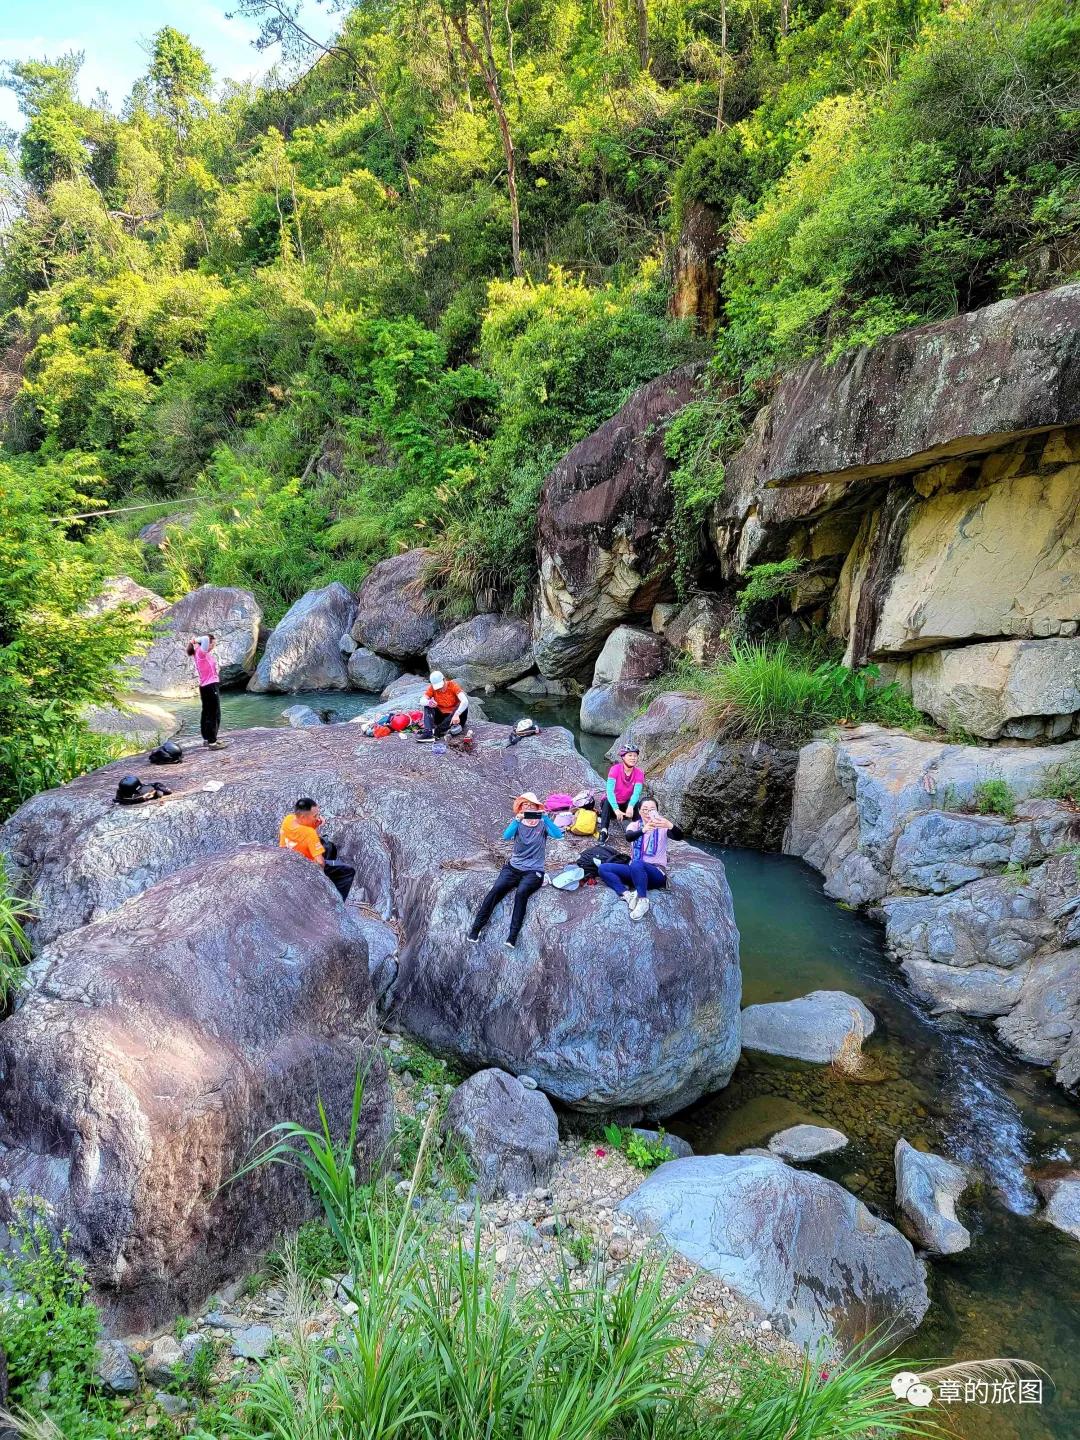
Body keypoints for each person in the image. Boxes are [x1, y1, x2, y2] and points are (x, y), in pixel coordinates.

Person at [467, 793, 562, 948]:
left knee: (522, 892)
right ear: (520, 809)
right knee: (496, 890)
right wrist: (516, 821)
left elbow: (558, 836)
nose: (529, 809)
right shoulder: (518, 823)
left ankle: (512, 936)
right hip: (513, 867)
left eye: (532, 807)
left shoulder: (543, 824)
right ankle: (476, 928)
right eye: (525, 806)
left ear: (537, 808)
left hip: (534, 870)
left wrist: (545, 818)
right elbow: (506, 836)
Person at [597, 800, 682, 920]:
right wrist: (643, 830)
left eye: (652, 809)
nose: (648, 812)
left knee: (637, 863)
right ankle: (628, 896)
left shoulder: (662, 826)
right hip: (635, 870)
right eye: (645, 809)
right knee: (603, 868)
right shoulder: (635, 825)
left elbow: (679, 836)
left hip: (656, 873)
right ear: (639, 811)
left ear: (657, 811)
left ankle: (643, 901)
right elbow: (629, 837)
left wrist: (670, 825)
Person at [279, 797, 355, 900]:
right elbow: (320, 863)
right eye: (315, 816)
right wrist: (320, 877)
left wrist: (316, 823)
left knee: (328, 847)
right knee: (348, 871)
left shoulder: (288, 819)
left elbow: (303, 834)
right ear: (302, 817)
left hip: (289, 858)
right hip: (305, 867)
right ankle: (337, 901)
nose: (318, 817)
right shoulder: (310, 834)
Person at [187, 634, 226, 750]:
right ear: (207, 643)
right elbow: (204, 639)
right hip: (210, 686)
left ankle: (207, 739)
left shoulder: (198, 652)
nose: (214, 645)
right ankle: (212, 742)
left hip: (205, 686)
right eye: (213, 643)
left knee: (207, 713)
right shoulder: (201, 652)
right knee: (214, 713)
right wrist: (195, 640)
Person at [599, 745, 645, 839]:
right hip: (612, 806)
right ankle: (604, 831)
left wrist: (631, 806)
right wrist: (616, 809)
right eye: (630, 755)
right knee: (606, 801)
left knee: (637, 803)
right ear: (623, 757)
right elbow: (610, 791)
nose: (633, 758)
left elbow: (636, 792)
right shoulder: (615, 769)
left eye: (635, 756)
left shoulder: (639, 773)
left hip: (626, 806)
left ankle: (638, 829)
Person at [418, 670, 469, 741]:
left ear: (444, 679)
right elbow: (422, 701)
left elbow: (465, 701)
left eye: (441, 686)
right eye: (438, 688)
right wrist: (429, 702)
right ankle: (429, 732)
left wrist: (457, 714)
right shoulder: (432, 688)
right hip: (441, 717)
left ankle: (438, 731)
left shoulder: (452, 685)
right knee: (427, 706)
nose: (440, 689)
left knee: (462, 705)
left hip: (454, 719)